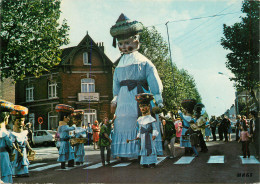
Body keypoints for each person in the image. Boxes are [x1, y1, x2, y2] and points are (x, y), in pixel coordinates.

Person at [110, 14, 164, 159]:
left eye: (127, 42)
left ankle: (142, 150)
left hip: (139, 97)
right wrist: (115, 99)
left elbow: (153, 81)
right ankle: (126, 152)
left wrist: (158, 100)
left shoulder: (144, 62)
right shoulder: (119, 65)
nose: (123, 47)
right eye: (120, 44)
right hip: (123, 100)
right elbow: (115, 85)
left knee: (141, 121)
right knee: (123, 122)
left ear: (136, 41)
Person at [135, 93, 159, 168]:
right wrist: (138, 136)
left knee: (151, 148)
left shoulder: (151, 119)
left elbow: (155, 128)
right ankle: (144, 163)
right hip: (143, 137)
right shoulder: (139, 119)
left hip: (149, 136)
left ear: (148, 107)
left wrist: (154, 134)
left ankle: (152, 162)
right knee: (143, 148)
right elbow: (140, 129)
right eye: (141, 107)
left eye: (144, 106)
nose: (142, 108)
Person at [10, 105, 34, 178]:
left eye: (22, 121)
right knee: (16, 161)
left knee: (24, 160)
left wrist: (29, 148)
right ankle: (16, 172)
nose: (21, 123)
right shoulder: (13, 134)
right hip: (17, 151)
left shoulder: (24, 133)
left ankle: (24, 172)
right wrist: (16, 148)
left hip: (23, 150)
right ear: (14, 122)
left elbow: (26, 141)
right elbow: (13, 142)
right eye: (19, 121)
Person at [55, 104, 76, 169]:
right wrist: (74, 125)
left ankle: (69, 164)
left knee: (69, 152)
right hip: (64, 142)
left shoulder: (60, 126)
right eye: (68, 117)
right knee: (65, 153)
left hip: (65, 142)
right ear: (64, 117)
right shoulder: (64, 126)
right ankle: (64, 165)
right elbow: (71, 128)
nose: (69, 119)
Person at [0, 100, 14, 183]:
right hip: (3, 156)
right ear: (6, 118)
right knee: (5, 172)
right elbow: (10, 146)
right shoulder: (5, 133)